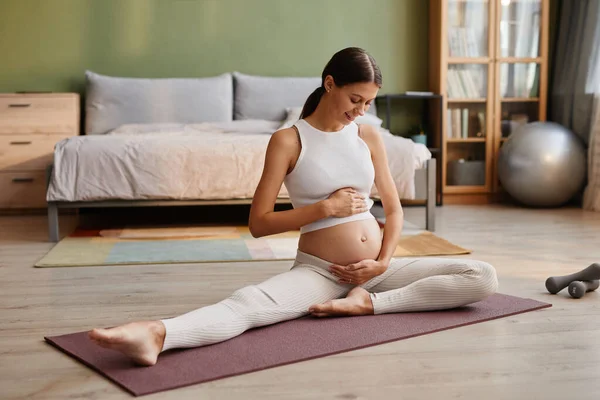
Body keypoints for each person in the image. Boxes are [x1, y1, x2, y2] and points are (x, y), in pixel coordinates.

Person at [89, 47, 498, 366]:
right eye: (355, 99)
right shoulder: (288, 140)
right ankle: (156, 334)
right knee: (248, 306)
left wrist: (383, 262)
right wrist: (324, 209)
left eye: (368, 103)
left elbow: (394, 209)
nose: (360, 111)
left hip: (377, 271)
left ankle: (368, 305)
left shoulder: (368, 138)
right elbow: (259, 224)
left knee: (481, 275)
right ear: (330, 83)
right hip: (322, 272)